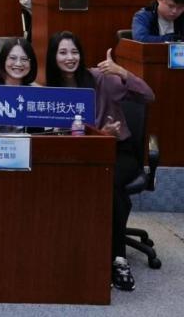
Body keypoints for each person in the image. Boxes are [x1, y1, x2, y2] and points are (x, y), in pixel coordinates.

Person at [44, 31, 154, 291]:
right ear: (53, 57)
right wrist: (99, 134)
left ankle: (118, 259)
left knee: (107, 181)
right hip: (81, 155)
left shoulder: (100, 78)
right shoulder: (50, 91)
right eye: (63, 52)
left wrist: (122, 72)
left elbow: (148, 96)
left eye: (74, 52)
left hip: (119, 151)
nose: (70, 58)